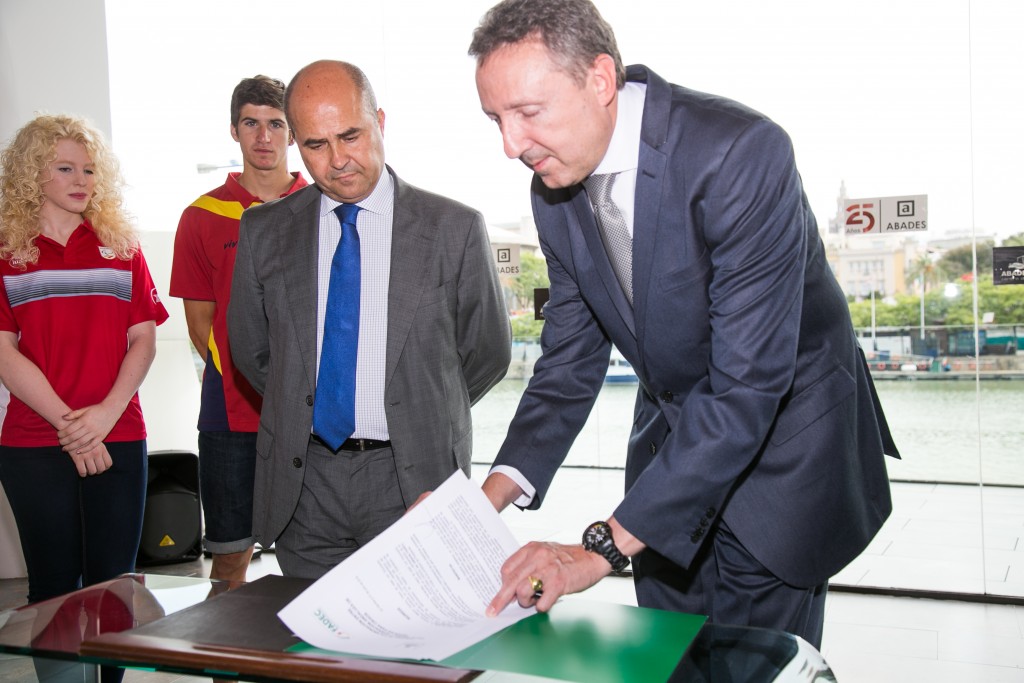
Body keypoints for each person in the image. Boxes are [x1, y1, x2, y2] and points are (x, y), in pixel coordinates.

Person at [469, 0, 899, 647]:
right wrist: (484, 501)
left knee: (752, 663)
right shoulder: (551, 191)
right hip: (668, 465)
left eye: (527, 113)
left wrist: (597, 549)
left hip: (782, 463)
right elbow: (567, 362)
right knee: (671, 660)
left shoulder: (739, 153)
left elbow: (747, 388)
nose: (509, 145)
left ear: (600, 80)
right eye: (494, 120)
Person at [228, 60, 511, 580]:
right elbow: (253, 352)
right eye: (316, 144)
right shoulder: (263, 232)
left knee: (414, 652)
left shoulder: (454, 229)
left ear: (380, 120)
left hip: (411, 481)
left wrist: (416, 408)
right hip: (303, 484)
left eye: (351, 135)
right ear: (296, 145)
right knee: (312, 653)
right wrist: (306, 403)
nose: (338, 160)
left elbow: (487, 352)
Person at [0, 114, 168, 680]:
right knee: (52, 589)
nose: (82, 180)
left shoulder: (122, 247)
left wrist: (104, 416)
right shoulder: (6, 251)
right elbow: (4, 353)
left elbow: (143, 340)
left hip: (118, 434)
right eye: (65, 168)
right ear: (32, 175)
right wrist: (73, 427)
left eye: (89, 169)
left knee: (113, 589)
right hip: (33, 443)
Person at [170, 75, 307, 582]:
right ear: (234, 130)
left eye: (276, 124)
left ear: (292, 134)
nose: (264, 137)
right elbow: (200, 325)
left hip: (311, 414)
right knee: (230, 561)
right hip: (230, 415)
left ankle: (304, 663)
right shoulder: (201, 216)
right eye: (252, 123)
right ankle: (228, 664)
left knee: (314, 558)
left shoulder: (323, 208)